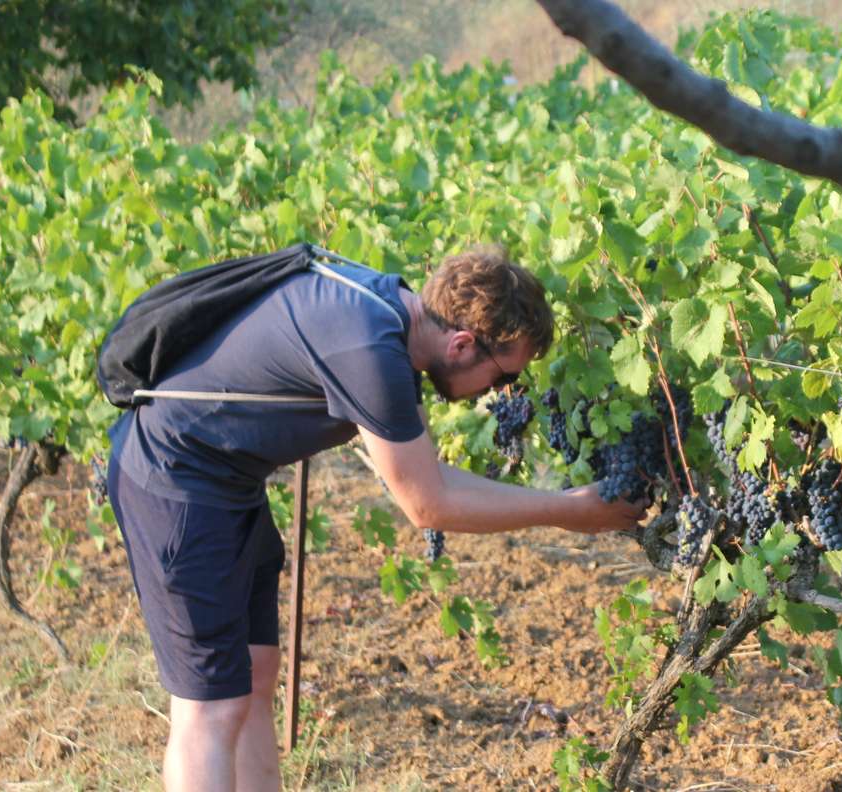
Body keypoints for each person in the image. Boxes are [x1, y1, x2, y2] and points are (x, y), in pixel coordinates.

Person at [104, 245, 644, 791]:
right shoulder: (369, 347)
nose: (499, 394)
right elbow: (427, 504)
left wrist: (564, 504)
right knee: (210, 708)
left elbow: (427, 475)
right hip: (173, 483)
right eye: (502, 377)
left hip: (227, 483)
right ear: (462, 344)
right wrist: (567, 511)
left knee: (256, 672)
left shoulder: (389, 314)